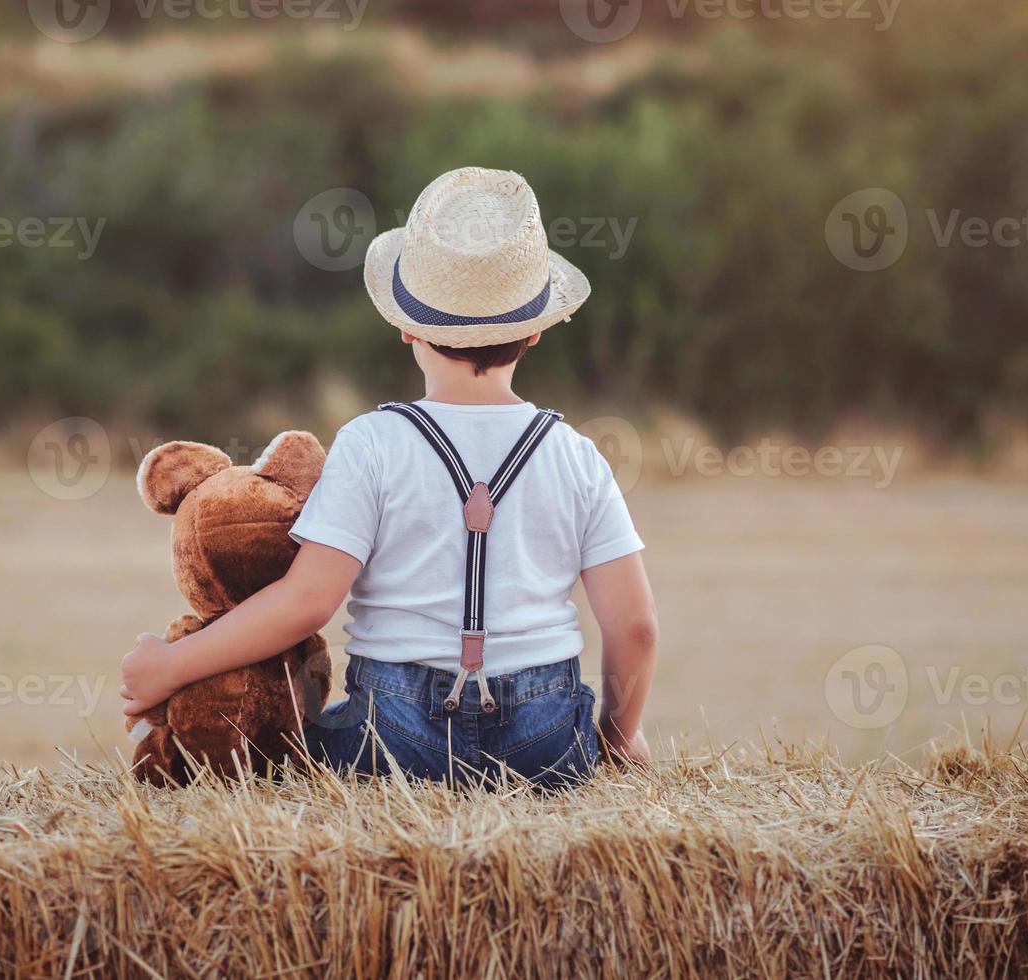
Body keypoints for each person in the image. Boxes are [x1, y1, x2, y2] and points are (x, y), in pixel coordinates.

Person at [121, 167, 658, 787]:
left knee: (293, 750)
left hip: (395, 734)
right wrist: (619, 741)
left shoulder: (371, 443)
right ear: (535, 330)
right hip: (546, 741)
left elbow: (304, 604)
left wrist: (172, 665)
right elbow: (636, 626)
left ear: (405, 325)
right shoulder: (576, 455)